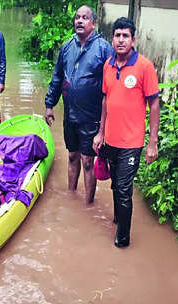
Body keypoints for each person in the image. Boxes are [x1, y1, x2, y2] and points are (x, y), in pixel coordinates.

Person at [93, 17, 160, 248]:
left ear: (133, 39)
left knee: (123, 189)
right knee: (114, 185)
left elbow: (154, 104)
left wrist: (153, 143)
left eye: (126, 36)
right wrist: (100, 133)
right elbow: (105, 100)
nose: (121, 40)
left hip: (131, 143)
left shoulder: (145, 67)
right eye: (117, 35)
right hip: (110, 139)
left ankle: (123, 239)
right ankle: (118, 218)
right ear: (112, 38)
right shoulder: (108, 65)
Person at [44, 5, 113, 204]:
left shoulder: (103, 49)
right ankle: (71, 197)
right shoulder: (67, 47)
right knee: (72, 156)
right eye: (77, 18)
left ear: (94, 23)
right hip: (70, 115)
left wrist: (105, 125)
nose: (79, 21)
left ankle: (87, 205)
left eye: (85, 18)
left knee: (87, 160)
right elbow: (57, 77)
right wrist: (50, 104)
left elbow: (111, 87)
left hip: (91, 117)